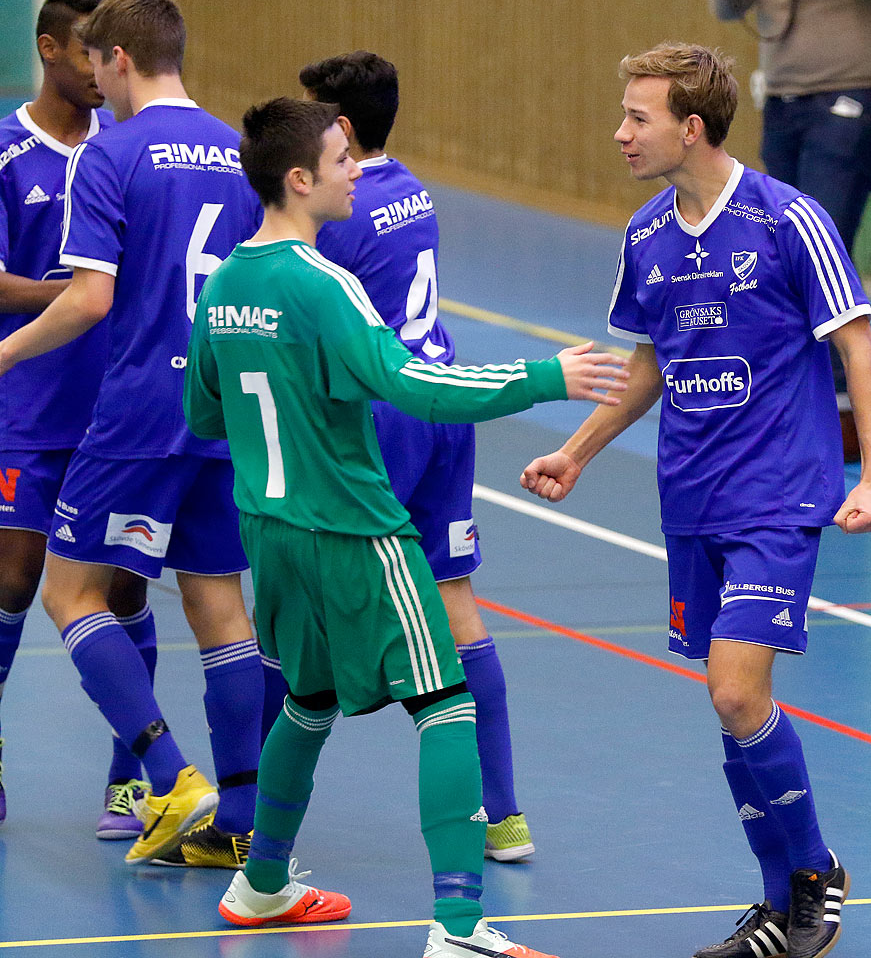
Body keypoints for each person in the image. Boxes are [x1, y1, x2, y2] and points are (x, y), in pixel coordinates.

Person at [187, 97, 623, 957]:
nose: (358, 170)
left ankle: (262, 882)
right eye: (342, 159)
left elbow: (204, 413)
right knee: (445, 706)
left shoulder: (226, 283)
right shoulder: (324, 284)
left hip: (269, 535)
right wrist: (544, 377)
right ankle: (459, 927)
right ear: (301, 179)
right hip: (355, 532)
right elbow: (417, 387)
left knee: (308, 703)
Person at [520, 43, 871, 958]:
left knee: (736, 690)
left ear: (691, 127)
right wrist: (574, 452)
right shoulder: (645, 235)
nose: (620, 133)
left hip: (778, 494)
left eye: (636, 117)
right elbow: (646, 369)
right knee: (727, 706)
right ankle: (780, 900)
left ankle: (812, 876)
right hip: (689, 498)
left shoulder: (787, 221)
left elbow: (859, 352)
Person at [0, 0, 264, 868]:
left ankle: (167, 772)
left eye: (100, 66)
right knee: (220, 608)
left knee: (69, 594)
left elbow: (90, 298)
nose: (98, 85)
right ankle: (241, 818)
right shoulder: (240, 151)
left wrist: (1, 358)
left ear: (116, 59)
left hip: (139, 410)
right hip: (225, 411)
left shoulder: (108, 153)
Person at [298, 51, 534, 863]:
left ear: (345, 129)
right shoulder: (411, 189)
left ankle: (256, 810)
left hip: (386, 414)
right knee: (456, 598)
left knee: (307, 609)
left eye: (313, 117)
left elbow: (318, 323)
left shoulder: (342, 211)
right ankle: (503, 815)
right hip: (443, 401)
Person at [0, 0, 161, 840]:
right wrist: (70, 293)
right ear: (51, 49)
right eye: (85, 51)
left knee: (125, 588)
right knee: (14, 584)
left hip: (120, 413)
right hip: (27, 410)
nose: (104, 71)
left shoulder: (131, 150)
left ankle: (130, 779)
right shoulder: (3, 153)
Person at [708, 0, 871, 462]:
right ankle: (788, 403)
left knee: (825, 247)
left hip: (849, 94)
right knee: (781, 255)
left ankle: (846, 414)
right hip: (782, 98)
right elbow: (727, 5)